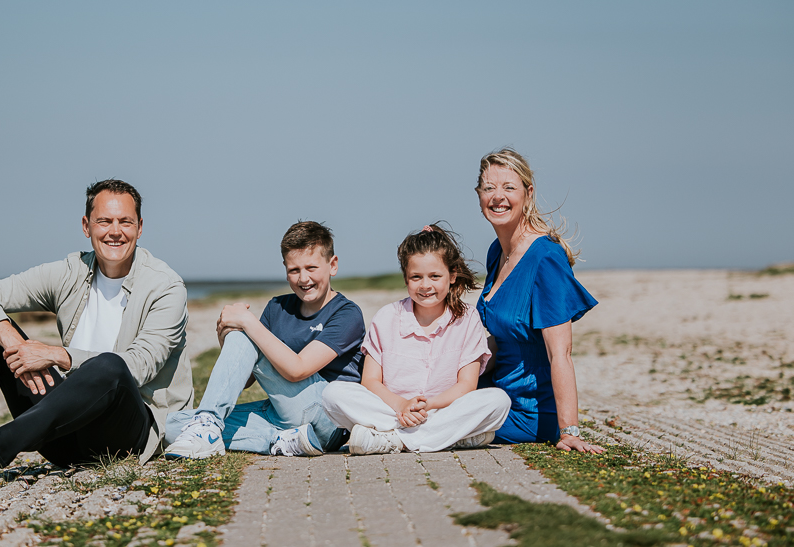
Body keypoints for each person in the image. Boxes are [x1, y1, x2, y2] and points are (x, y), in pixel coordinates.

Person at [0, 179, 191, 499]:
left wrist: (57, 355)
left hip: (126, 435)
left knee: (110, 365)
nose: (115, 231)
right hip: (64, 434)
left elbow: (139, 366)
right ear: (86, 225)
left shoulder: (165, 287)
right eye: (104, 221)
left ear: (140, 227)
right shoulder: (71, 271)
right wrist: (12, 340)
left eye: (125, 221)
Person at [164, 221, 365, 458]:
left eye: (311, 267)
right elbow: (247, 380)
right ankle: (279, 440)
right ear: (285, 268)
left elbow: (297, 370)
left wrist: (247, 323)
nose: (303, 278)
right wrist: (228, 338)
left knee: (245, 335)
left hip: (329, 418)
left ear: (333, 265)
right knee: (173, 426)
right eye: (294, 270)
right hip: (282, 415)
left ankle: (209, 424)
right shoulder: (277, 307)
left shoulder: (347, 314)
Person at [322, 224, 511, 455]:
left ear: (451, 276)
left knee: (498, 400)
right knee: (333, 395)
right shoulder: (386, 317)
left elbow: (467, 385)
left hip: (445, 410)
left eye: (434, 276)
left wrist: (428, 406)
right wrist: (402, 405)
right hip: (392, 410)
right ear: (405, 278)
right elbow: (370, 382)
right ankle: (445, 438)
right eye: (416, 277)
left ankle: (394, 440)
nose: (425, 285)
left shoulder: (468, 318)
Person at [474, 148, 603, 453]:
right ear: (478, 195)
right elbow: (500, 341)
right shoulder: (497, 252)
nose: (497, 197)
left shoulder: (546, 258)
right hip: (497, 393)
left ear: (528, 194)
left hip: (530, 411)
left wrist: (569, 430)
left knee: (439, 417)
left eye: (508, 187)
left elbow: (561, 354)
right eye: (489, 188)